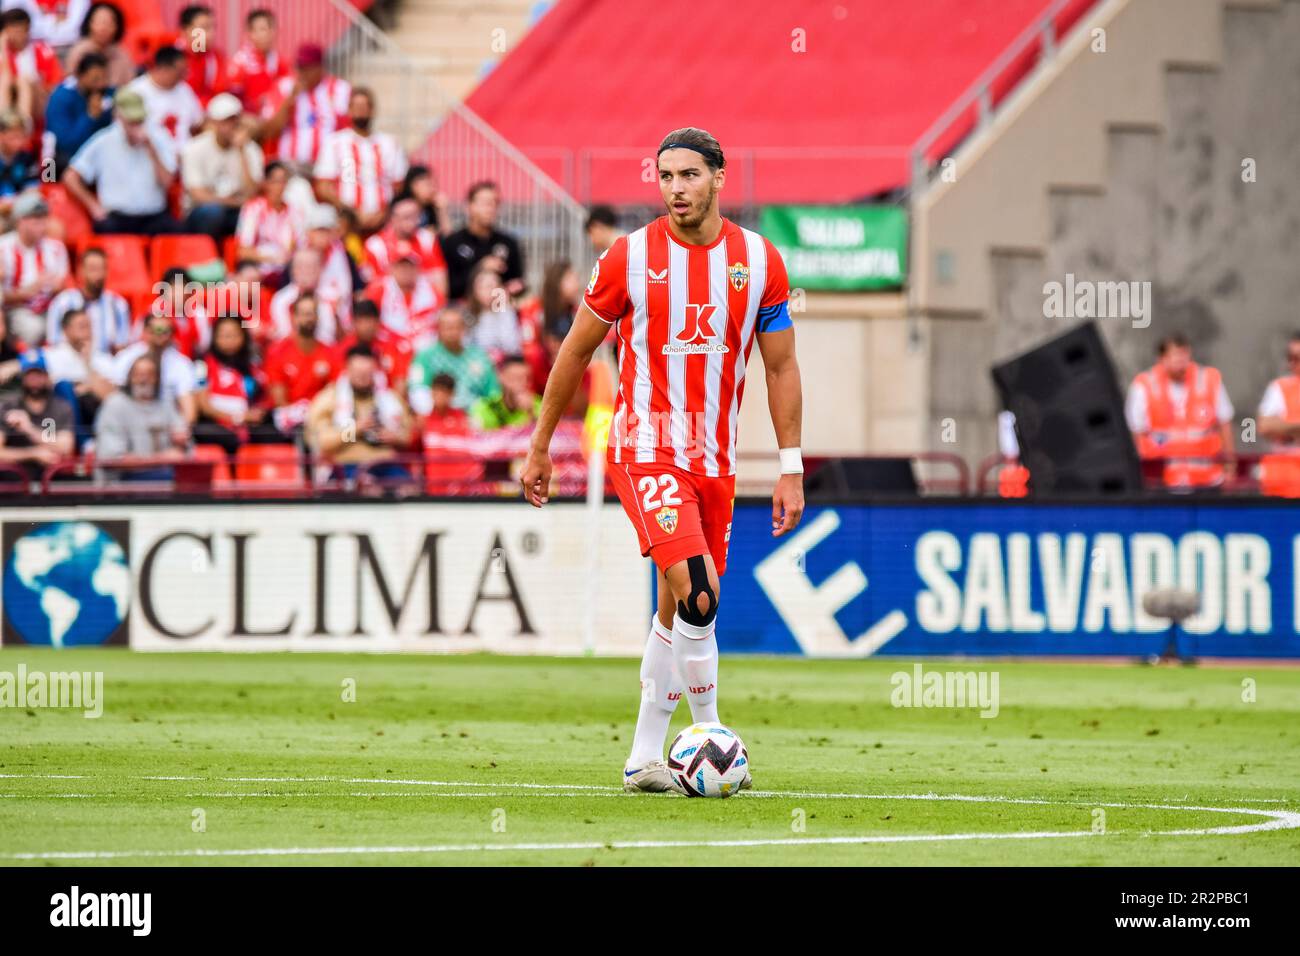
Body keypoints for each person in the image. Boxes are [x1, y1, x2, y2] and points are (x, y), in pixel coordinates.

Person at [519, 127, 803, 794]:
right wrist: (539, 445)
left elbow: (782, 367)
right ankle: (710, 735)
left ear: (718, 179)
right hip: (645, 447)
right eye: (666, 176)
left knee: (679, 611)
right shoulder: (628, 258)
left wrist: (790, 464)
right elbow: (575, 351)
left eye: (689, 175)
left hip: (716, 460)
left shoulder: (759, 262)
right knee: (699, 593)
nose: (676, 188)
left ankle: (644, 758)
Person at [64, 87, 181, 235]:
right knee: (105, 228)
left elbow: (167, 182)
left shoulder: (158, 137)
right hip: (118, 217)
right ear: (119, 117)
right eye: (131, 122)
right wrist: (93, 205)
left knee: (178, 232)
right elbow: (71, 176)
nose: (136, 126)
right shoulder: (104, 140)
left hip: (154, 216)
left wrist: (152, 150)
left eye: (139, 121)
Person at [1126, 332, 1235, 490]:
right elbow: (1137, 433)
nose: (1180, 363)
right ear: (1162, 359)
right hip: (1162, 481)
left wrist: (1230, 468)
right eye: (1175, 356)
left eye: (1184, 356)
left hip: (1207, 479)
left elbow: (1225, 423)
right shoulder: (1144, 384)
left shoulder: (1208, 379)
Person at [305, 342, 412, 479]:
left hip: (385, 464)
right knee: (367, 486)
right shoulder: (330, 398)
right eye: (357, 373)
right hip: (347, 466)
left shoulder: (390, 399)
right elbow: (322, 442)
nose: (362, 378)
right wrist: (355, 430)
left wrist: (394, 438)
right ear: (347, 369)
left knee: (409, 488)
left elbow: (407, 436)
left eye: (367, 374)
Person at [313, 86, 406, 232]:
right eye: (356, 106)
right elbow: (323, 186)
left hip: (383, 223)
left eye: (364, 106)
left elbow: (398, 185)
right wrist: (351, 212)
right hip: (346, 222)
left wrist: (383, 212)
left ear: (372, 110)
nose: (361, 111)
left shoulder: (390, 143)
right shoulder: (335, 142)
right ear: (349, 110)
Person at [193, 314, 280, 455]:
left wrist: (258, 413)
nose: (230, 340)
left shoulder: (253, 365)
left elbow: (265, 398)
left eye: (235, 335)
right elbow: (204, 406)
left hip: (249, 425)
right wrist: (238, 418)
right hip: (217, 426)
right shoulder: (201, 364)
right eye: (225, 336)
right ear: (214, 337)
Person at [94, 352, 189, 479]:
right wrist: (161, 459)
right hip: (123, 482)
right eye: (138, 375)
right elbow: (112, 459)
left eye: (150, 375)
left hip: (161, 477)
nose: (144, 380)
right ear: (129, 378)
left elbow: (183, 445)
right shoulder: (115, 405)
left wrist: (181, 442)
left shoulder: (165, 404)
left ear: (157, 379)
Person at [181, 91, 262, 240]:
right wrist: (235, 202)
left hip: (235, 211)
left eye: (234, 121)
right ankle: (207, 257)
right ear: (213, 123)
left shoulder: (250, 149)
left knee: (253, 215)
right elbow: (198, 195)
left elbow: (252, 193)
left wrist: (241, 152)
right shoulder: (194, 148)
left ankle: (244, 258)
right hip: (201, 212)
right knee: (213, 212)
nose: (230, 126)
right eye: (225, 121)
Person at [259, 42, 350, 171]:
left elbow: (348, 132)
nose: (302, 73)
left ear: (320, 67)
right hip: (291, 165)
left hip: (328, 166)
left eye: (307, 68)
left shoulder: (340, 89)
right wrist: (290, 100)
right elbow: (269, 131)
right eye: (299, 67)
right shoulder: (284, 87)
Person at [264, 291, 342, 434]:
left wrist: (315, 414)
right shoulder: (277, 352)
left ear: (318, 317)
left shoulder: (331, 353)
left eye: (312, 313)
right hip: (289, 423)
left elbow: (334, 393)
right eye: (304, 314)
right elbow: (279, 400)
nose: (308, 318)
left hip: (321, 419)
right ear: (294, 317)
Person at [0, 190, 70, 346]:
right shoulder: (3, 248)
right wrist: (27, 291)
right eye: (36, 221)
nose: (43, 226)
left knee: (69, 322)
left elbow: (63, 285)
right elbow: (2, 297)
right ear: (20, 221)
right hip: (16, 309)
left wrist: (57, 287)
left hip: (49, 307)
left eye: (44, 219)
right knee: (34, 329)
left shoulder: (56, 248)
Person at [440, 180, 525, 300]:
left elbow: (518, 283)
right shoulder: (452, 243)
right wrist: (480, 268)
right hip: (463, 310)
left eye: (495, 203)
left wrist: (513, 288)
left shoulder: (508, 243)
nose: (491, 209)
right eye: (486, 203)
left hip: (499, 308)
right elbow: (448, 289)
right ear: (469, 206)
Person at [407, 305, 499, 414]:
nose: (452, 331)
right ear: (439, 329)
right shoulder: (425, 357)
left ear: (464, 328)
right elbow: (417, 389)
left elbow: (493, 391)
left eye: (457, 326)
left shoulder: (479, 356)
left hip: (477, 415)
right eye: (448, 327)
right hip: (441, 416)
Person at [110, 312, 197, 424]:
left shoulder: (182, 364)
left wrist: (179, 431)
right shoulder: (126, 358)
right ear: (145, 331)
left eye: (166, 331)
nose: (160, 335)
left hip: (166, 424)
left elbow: (189, 413)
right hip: (131, 421)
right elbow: (116, 397)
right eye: (156, 329)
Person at [0, 351, 74, 477]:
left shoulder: (59, 407)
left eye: (38, 374)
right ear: (23, 378)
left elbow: (65, 448)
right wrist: (33, 454)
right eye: (29, 375)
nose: (34, 380)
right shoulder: (8, 406)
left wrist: (28, 429)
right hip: (15, 476)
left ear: (47, 376)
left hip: (52, 475)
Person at [44, 245, 131, 352]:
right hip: (70, 360)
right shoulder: (62, 303)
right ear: (81, 271)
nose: (98, 275)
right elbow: (54, 342)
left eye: (102, 268)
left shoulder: (118, 305)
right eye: (93, 269)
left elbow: (122, 344)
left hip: (106, 363)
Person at [39, 306, 115, 427]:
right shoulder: (51, 356)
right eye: (82, 326)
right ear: (66, 330)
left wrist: (88, 363)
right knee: (65, 387)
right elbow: (53, 389)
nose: (87, 331)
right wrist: (90, 386)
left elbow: (111, 395)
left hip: (97, 413)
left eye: (89, 326)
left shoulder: (103, 358)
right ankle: (82, 442)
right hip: (61, 417)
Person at [42, 48, 111, 171]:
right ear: (80, 76)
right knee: (50, 162)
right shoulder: (61, 97)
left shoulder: (107, 94)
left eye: (104, 78)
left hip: (93, 155)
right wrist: (90, 117)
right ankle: (49, 186)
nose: (100, 84)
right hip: (57, 158)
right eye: (95, 79)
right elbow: (65, 144)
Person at [361, 195, 446, 293]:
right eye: (407, 217)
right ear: (392, 218)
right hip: (389, 303)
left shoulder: (427, 240)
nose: (413, 222)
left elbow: (440, 282)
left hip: (423, 302)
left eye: (416, 216)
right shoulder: (375, 246)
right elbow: (372, 287)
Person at [126, 45, 204, 149]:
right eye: (180, 72)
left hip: (184, 158)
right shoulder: (135, 92)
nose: (184, 76)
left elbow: (197, 123)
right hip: (150, 158)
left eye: (185, 71)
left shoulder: (184, 89)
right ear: (163, 69)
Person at [234, 159, 298, 281]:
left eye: (284, 181)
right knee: (249, 275)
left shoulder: (294, 212)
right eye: (276, 181)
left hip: (285, 267)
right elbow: (243, 251)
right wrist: (272, 258)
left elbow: (299, 245)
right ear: (266, 183)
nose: (281, 186)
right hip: (258, 265)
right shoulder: (253, 209)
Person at [0, 7, 61, 129]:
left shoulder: (42, 50)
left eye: (20, 30)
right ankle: (4, 125)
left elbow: (55, 86)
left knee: (23, 80)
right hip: (10, 100)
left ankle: (23, 128)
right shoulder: (3, 52)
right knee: (7, 79)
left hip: (40, 101)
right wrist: (3, 49)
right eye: (12, 30)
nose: (16, 35)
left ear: (27, 29)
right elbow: (5, 80)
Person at [337, 297, 413, 395]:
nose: (366, 327)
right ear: (354, 322)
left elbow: (400, 382)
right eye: (361, 321)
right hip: (350, 399)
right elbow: (338, 382)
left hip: (386, 400)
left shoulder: (392, 346)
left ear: (378, 322)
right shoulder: (344, 348)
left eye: (370, 321)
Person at [363, 249, 439, 346]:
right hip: (389, 346)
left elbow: (441, 317)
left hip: (423, 347)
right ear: (392, 269)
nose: (406, 271)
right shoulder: (379, 290)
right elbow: (365, 319)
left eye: (410, 267)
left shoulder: (430, 290)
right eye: (401, 267)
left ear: (418, 269)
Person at [269, 247, 343, 344]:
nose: (306, 271)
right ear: (292, 270)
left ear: (320, 269)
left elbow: (338, 337)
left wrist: (336, 317)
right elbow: (282, 334)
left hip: (326, 351)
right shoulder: (281, 299)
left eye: (311, 266)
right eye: (300, 266)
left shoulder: (333, 295)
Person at [1256, 331, 1300, 497]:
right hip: (1282, 484)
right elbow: (1263, 426)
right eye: (1290, 357)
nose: (1293, 363)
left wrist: (1285, 427)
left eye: (1298, 357)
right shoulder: (1279, 387)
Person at [226, 7, 289, 116]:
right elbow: (233, 100)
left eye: (271, 28)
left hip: (273, 118)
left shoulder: (279, 61)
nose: (268, 34)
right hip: (248, 119)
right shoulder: (240, 62)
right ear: (250, 33)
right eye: (263, 29)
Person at [65, 2, 134, 88]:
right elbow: (70, 83)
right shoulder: (79, 52)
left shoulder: (121, 55)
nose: (103, 28)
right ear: (89, 23)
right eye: (99, 22)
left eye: (109, 23)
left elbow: (130, 86)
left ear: (117, 26)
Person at [463, 261, 521, 359]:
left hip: (504, 362)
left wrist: (503, 306)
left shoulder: (506, 312)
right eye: (482, 287)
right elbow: (465, 345)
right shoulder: (468, 315)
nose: (488, 292)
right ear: (474, 291)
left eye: (491, 286)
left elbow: (511, 345)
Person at [175, 4, 227, 108]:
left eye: (213, 27)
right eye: (205, 28)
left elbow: (220, 93)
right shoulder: (172, 58)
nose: (211, 33)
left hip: (209, 113)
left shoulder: (216, 57)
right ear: (185, 30)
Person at [470, 355, 538, 430]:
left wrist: (530, 413)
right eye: (516, 378)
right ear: (501, 377)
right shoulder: (485, 407)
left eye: (528, 378)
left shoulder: (539, 404)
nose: (523, 383)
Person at [0, 108, 38, 226]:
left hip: (21, 213)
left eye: (21, 137)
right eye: (13, 137)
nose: (18, 142)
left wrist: (16, 205)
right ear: (1, 136)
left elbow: (33, 192)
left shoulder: (27, 158)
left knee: (53, 227)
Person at [396, 164, 449, 235]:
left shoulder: (430, 209)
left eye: (434, 185)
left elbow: (447, 237)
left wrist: (442, 211)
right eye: (428, 185)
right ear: (414, 186)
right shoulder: (402, 207)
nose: (433, 189)